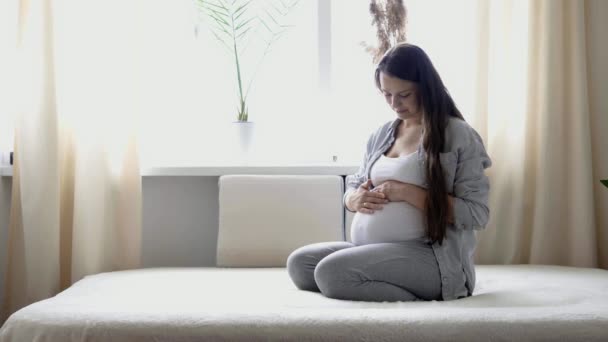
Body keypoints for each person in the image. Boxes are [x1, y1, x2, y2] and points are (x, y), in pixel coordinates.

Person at [286, 43, 492, 302]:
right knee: (300, 265)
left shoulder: (457, 134)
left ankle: (426, 299)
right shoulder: (384, 133)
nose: (395, 104)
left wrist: (406, 192)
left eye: (404, 94)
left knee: (331, 273)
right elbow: (356, 183)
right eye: (386, 94)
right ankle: (365, 275)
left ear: (425, 87)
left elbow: (477, 214)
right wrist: (353, 199)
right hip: (371, 249)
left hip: (431, 257)